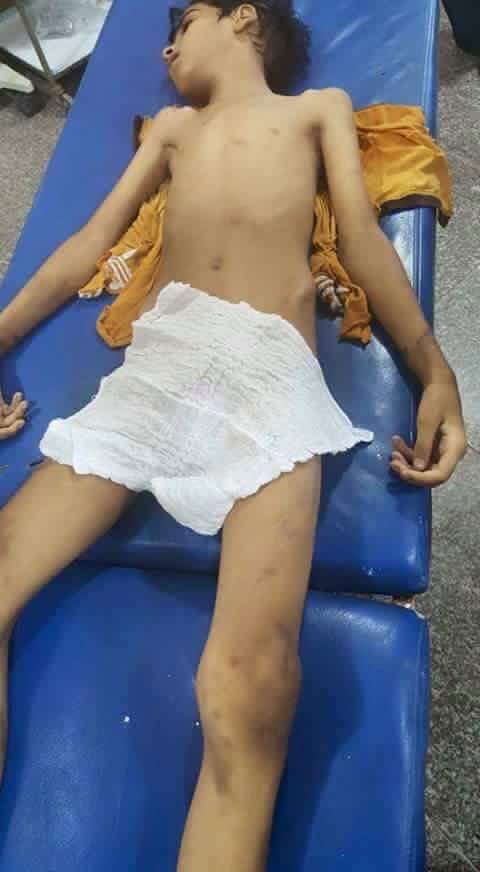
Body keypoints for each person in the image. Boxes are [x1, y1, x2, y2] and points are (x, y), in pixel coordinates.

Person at [0, 2, 467, 869]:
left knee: (250, 688)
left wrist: (433, 371)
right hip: (161, 366)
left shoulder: (317, 109)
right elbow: (89, 245)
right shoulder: (174, 130)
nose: (166, 47)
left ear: (243, 18)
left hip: (270, 379)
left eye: (182, 24)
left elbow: (362, 239)